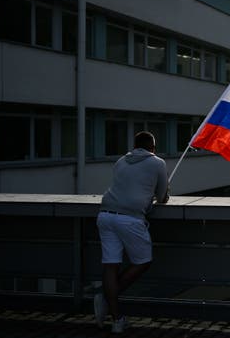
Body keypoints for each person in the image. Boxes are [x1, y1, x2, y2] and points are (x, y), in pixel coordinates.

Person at [94, 131, 169, 333]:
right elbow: (162, 197)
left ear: (135, 146)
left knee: (111, 266)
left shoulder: (120, 161)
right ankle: (106, 299)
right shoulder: (158, 163)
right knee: (143, 262)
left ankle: (117, 320)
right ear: (152, 147)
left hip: (105, 214)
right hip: (129, 218)